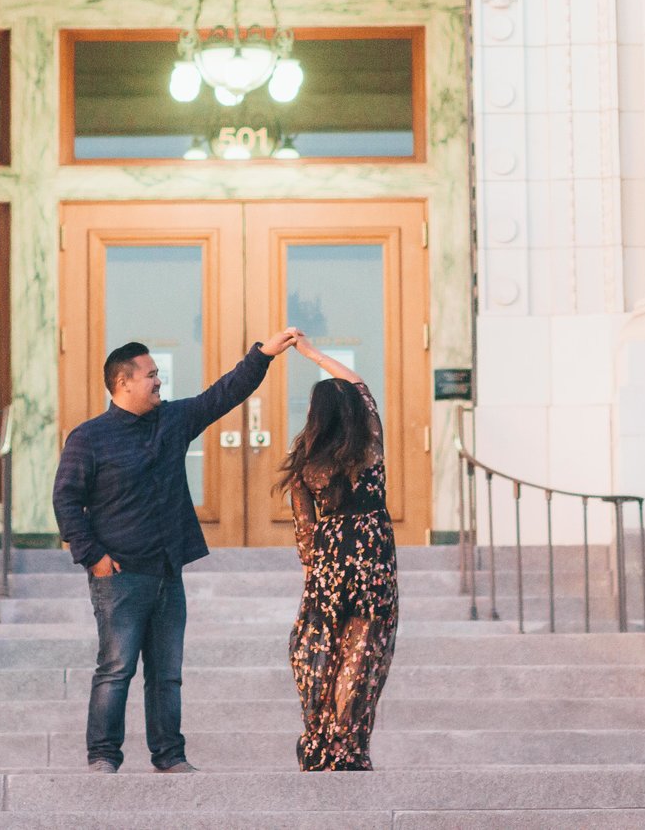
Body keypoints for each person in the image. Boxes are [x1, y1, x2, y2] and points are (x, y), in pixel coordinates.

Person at [52, 328, 301, 773]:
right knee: (116, 670)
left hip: (168, 571)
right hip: (119, 575)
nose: (159, 382)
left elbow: (222, 394)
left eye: (157, 374)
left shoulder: (173, 421)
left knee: (166, 676)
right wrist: (93, 557)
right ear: (123, 381)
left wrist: (262, 355)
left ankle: (169, 757)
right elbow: (66, 501)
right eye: (151, 375)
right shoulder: (89, 438)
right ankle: (103, 757)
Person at [279, 334, 398, 771]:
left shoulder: (306, 466)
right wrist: (313, 355)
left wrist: (319, 568)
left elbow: (305, 540)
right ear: (352, 414)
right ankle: (348, 747)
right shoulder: (369, 450)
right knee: (361, 652)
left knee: (321, 649)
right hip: (372, 562)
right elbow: (360, 386)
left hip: (329, 566)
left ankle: (319, 741)